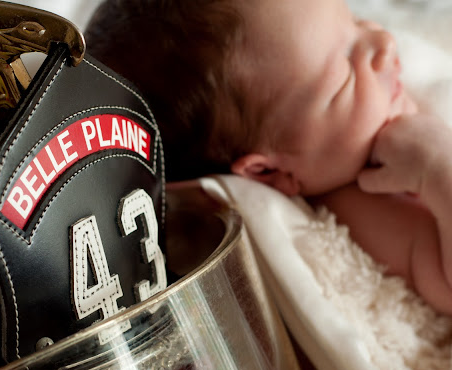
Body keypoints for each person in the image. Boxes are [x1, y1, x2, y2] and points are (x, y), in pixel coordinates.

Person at [85, 0, 452, 314]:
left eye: (354, 20)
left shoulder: (364, 141)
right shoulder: (363, 211)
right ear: (267, 171)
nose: (383, 41)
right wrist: (438, 166)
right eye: (343, 71)